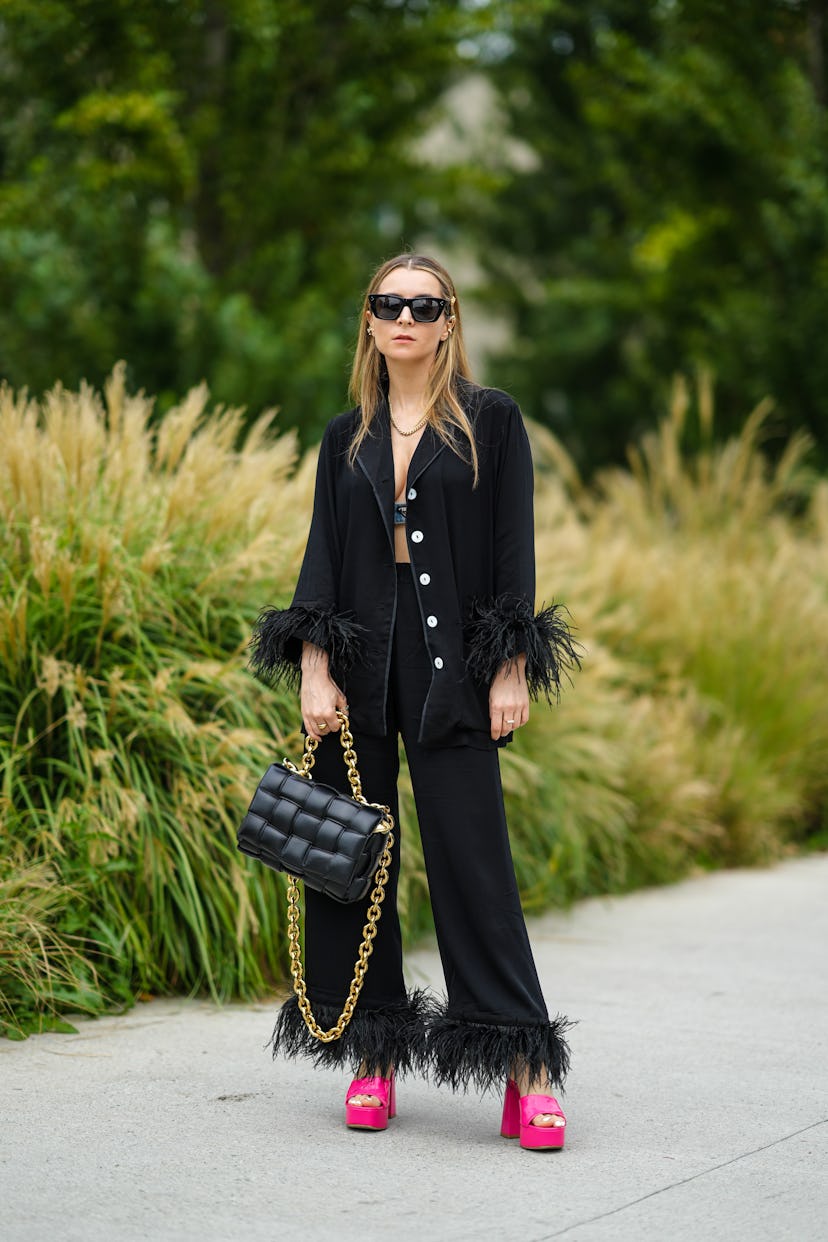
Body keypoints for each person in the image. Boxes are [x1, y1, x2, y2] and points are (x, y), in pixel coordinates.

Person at [250, 253, 580, 1151]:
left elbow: (514, 553)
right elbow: (321, 559)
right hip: (360, 666)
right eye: (388, 303)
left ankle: (528, 1067)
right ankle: (375, 1051)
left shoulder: (491, 421)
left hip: (454, 669)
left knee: (476, 865)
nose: (405, 317)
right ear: (368, 320)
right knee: (353, 863)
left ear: (447, 321)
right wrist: (315, 670)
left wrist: (510, 667)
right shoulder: (342, 436)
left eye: (423, 305)